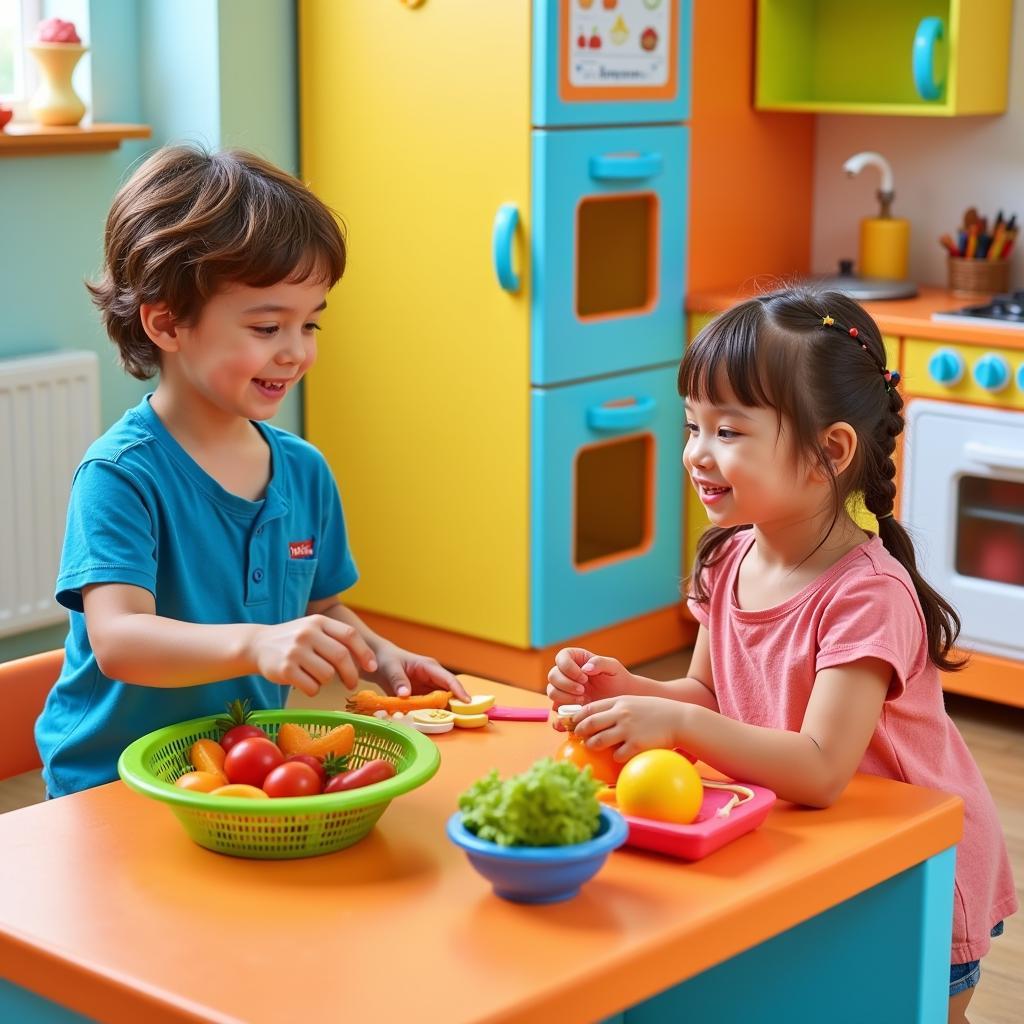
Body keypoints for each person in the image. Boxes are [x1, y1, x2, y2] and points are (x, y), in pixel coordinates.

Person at [547, 289, 1016, 1022]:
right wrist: (625, 688)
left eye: (729, 431)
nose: (697, 452)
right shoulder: (729, 557)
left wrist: (678, 730)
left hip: (915, 866)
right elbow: (707, 695)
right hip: (820, 849)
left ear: (830, 451)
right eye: (692, 425)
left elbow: (824, 767)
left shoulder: (867, 596)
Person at [36, 145, 468, 798]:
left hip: (240, 776)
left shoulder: (304, 471)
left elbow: (321, 606)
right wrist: (255, 644)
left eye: (311, 323)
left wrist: (381, 655)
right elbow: (120, 639)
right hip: (109, 790)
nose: (296, 352)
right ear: (166, 322)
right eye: (268, 326)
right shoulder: (119, 476)